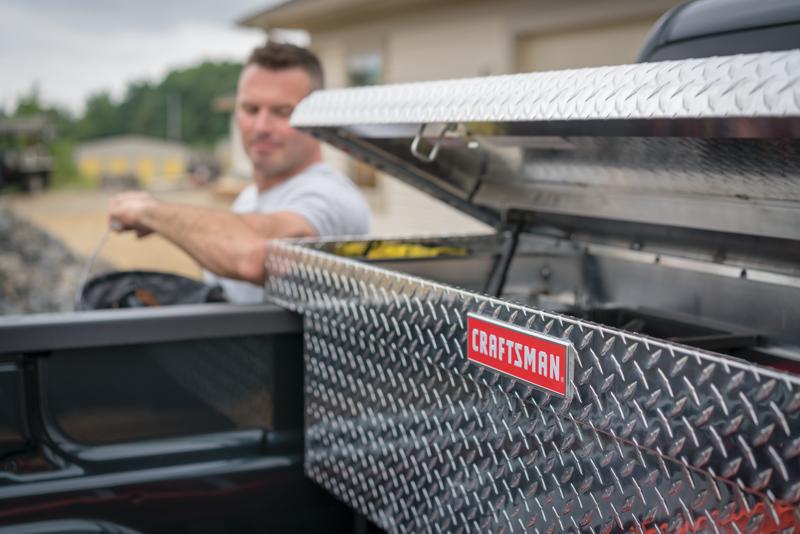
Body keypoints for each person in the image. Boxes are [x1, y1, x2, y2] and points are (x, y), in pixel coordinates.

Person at [108, 42, 370, 303]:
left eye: (282, 112)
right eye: (250, 109)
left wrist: (151, 212)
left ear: (318, 118)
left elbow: (258, 256)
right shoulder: (247, 200)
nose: (261, 126)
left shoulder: (332, 197)